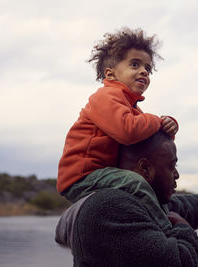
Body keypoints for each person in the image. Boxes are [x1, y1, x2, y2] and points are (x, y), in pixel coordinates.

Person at [55, 131, 198, 267]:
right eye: (172, 166)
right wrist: (184, 229)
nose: (177, 174)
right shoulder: (111, 207)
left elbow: (194, 206)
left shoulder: (144, 203)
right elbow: (178, 262)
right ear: (144, 168)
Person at [57, 28, 178, 231]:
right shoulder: (104, 97)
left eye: (148, 68)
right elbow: (127, 132)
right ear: (111, 74)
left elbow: (151, 145)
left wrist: (169, 126)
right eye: (134, 64)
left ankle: (168, 225)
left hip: (105, 173)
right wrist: (158, 120)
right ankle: (167, 235)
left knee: (153, 185)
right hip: (82, 176)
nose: (143, 71)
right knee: (136, 183)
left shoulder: (131, 108)